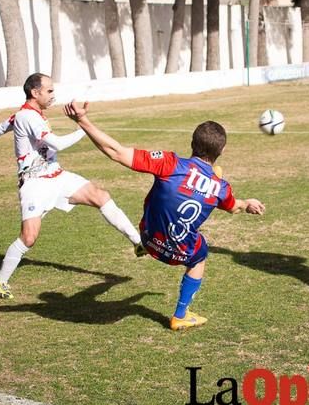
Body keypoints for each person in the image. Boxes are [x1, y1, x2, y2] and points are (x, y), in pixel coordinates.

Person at [63, 101, 265, 331]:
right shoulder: (221, 188)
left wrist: (82, 120)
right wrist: (248, 204)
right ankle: (181, 315)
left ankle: (144, 246)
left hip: (148, 238)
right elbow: (234, 206)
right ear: (222, 151)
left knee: (156, 213)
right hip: (179, 253)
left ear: (192, 143)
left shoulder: (169, 163)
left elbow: (117, 153)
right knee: (200, 254)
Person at [0, 73, 143, 300]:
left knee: (100, 196)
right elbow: (58, 144)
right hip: (35, 184)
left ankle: (138, 242)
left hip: (56, 176)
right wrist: (85, 127)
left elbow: (1, 127)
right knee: (29, 238)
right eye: (50, 91)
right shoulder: (28, 117)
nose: (54, 95)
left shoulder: (26, 114)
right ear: (35, 93)